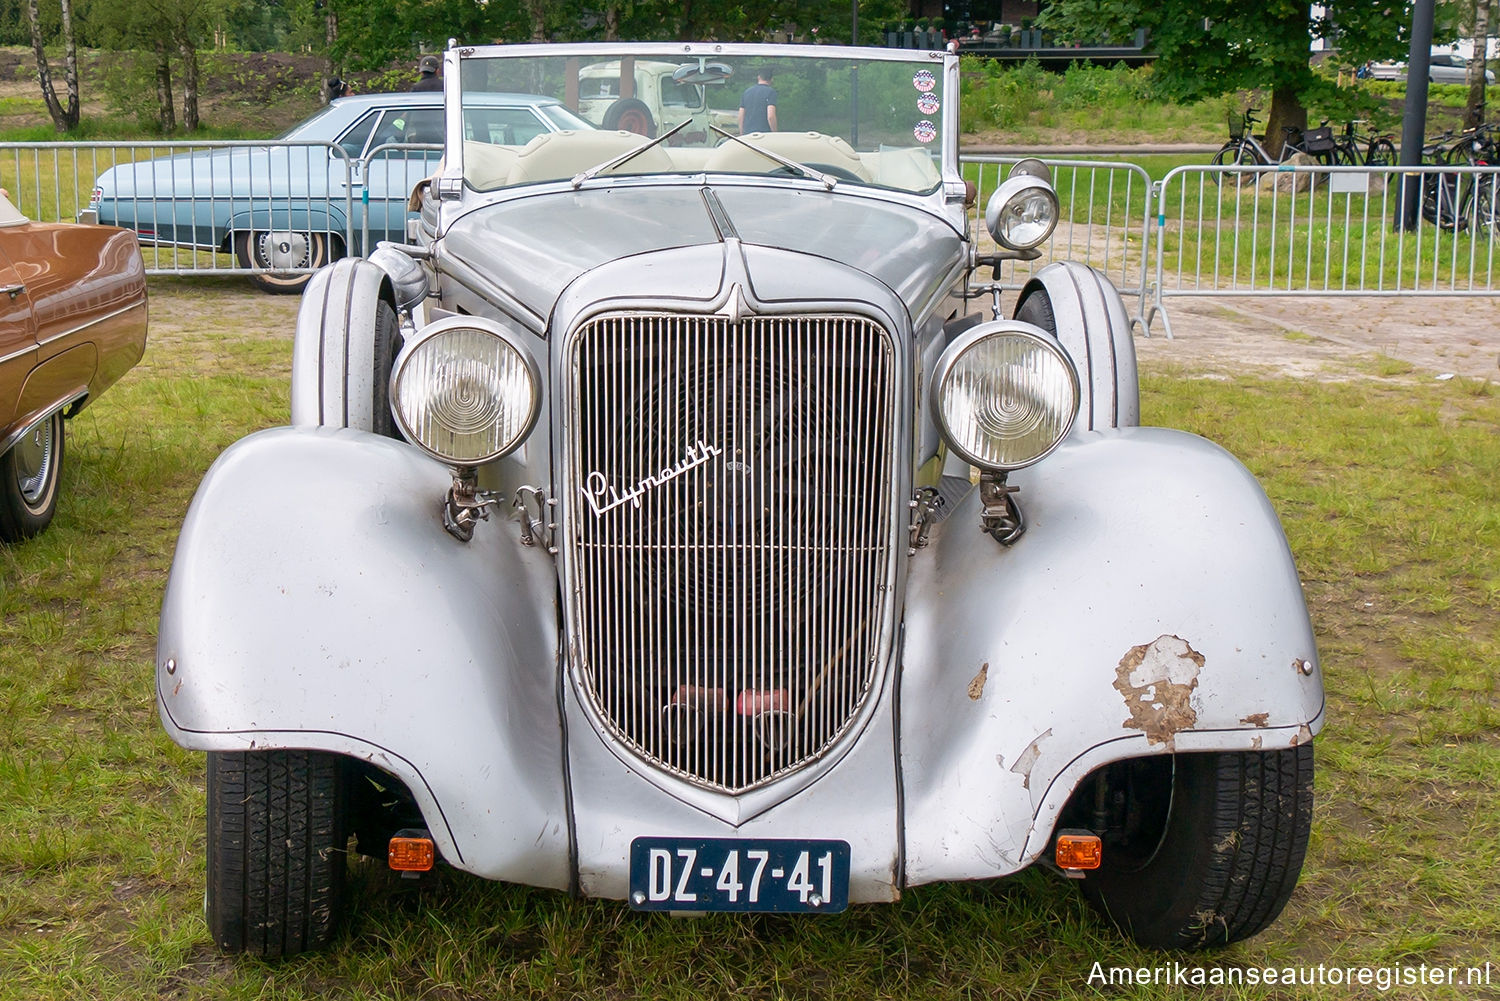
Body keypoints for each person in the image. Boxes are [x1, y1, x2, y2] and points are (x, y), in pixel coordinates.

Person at [738, 69, 778, 134]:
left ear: (758, 77)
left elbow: (741, 115)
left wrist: (741, 133)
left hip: (748, 134)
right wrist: (775, 133)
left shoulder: (747, 92)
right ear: (771, 79)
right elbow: (770, 116)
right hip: (764, 134)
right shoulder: (771, 92)